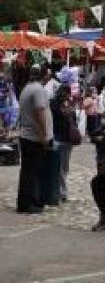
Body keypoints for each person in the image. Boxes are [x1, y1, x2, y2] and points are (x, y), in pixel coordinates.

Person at [16, 65, 53, 214]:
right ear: (43, 76)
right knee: (32, 172)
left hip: (27, 135)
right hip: (34, 137)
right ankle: (28, 204)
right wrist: (44, 135)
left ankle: (25, 202)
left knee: (27, 171)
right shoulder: (38, 90)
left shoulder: (27, 87)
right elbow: (40, 112)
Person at [50, 85, 78, 203]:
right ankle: (61, 192)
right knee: (63, 167)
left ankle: (60, 191)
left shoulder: (53, 104)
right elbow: (73, 121)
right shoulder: (66, 105)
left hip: (59, 137)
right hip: (65, 138)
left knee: (60, 167)